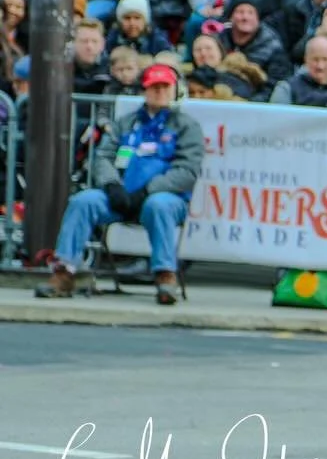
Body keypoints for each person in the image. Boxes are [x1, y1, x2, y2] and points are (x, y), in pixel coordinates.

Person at [34, 63, 202, 305]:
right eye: (154, 87)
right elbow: (103, 156)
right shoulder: (126, 122)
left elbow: (187, 171)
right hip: (121, 195)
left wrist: (148, 190)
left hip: (164, 198)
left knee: (158, 205)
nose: (159, 92)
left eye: (165, 87)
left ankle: (165, 275)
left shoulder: (187, 126)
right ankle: (64, 272)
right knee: (83, 201)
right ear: (144, 90)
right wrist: (112, 185)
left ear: (175, 90)